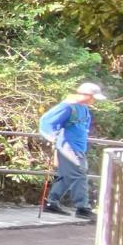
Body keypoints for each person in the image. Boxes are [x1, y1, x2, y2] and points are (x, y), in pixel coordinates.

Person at [38, 81, 107, 219]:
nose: (94, 100)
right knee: (79, 174)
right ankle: (82, 208)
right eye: (92, 97)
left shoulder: (84, 108)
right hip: (68, 146)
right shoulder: (67, 107)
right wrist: (51, 136)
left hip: (78, 147)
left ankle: (51, 203)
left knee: (67, 175)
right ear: (85, 95)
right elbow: (46, 121)